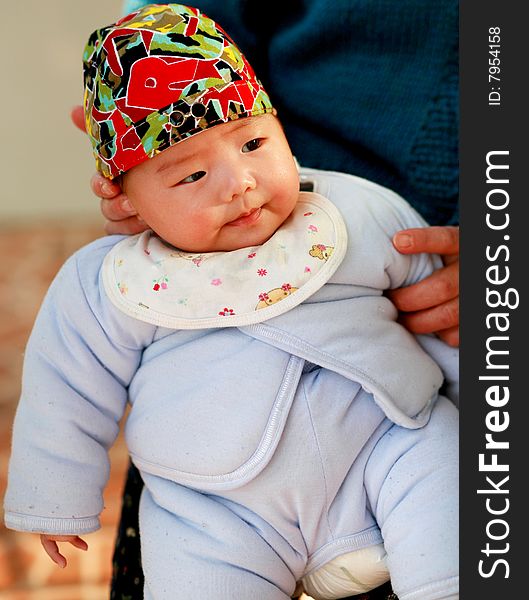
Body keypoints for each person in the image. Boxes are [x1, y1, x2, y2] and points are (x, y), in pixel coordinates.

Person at [5, 5, 459, 600]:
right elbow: (63, 389)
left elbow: (442, 325)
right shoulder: (111, 282)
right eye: (190, 177)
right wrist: (54, 496)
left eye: (252, 143)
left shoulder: (355, 214)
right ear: (126, 200)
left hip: (384, 447)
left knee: (442, 459)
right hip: (214, 504)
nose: (239, 182)